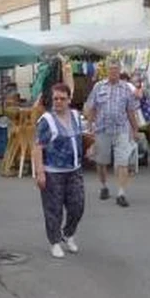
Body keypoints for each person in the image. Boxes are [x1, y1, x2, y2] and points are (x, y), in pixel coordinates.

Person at [32, 83, 85, 259]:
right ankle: (54, 242)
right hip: (53, 171)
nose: (59, 102)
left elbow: (81, 137)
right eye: (55, 99)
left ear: (69, 100)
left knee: (77, 205)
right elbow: (38, 146)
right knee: (53, 209)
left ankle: (68, 233)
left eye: (62, 99)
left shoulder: (76, 116)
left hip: (74, 170)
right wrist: (40, 172)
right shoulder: (46, 120)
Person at [84, 60, 141, 207]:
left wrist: (135, 129)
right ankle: (104, 186)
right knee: (101, 162)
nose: (113, 73)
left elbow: (130, 110)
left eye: (116, 70)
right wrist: (90, 125)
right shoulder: (99, 87)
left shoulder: (126, 89)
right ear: (107, 72)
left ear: (120, 72)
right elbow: (92, 107)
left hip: (121, 130)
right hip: (102, 130)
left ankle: (121, 193)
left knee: (123, 162)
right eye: (111, 70)